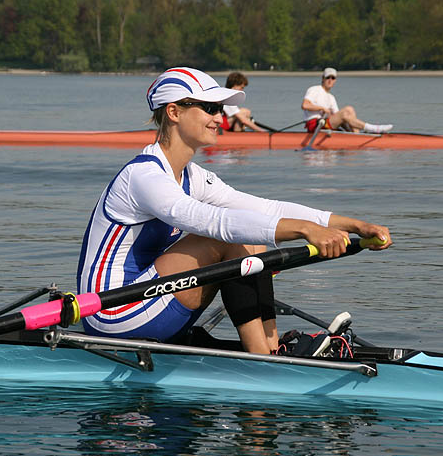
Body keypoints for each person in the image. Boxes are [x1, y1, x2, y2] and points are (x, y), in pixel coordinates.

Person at [77, 67, 392, 354]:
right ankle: (262, 359)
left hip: (150, 300)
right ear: (173, 112)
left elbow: (266, 207)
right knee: (229, 237)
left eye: (220, 109)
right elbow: (216, 223)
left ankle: (271, 347)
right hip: (111, 314)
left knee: (252, 237)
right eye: (210, 108)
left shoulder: (193, 177)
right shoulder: (144, 176)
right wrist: (306, 230)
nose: (219, 118)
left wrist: (354, 225)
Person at [301, 67, 393, 134]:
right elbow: (305, 105)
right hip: (315, 125)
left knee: (349, 110)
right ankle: (373, 128)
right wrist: (322, 108)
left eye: (333, 78)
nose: (330, 80)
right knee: (346, 111)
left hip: (326, 123)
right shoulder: (314, 89)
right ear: (323, 78)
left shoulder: (331, 97)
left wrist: (348, 130)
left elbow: (341, 119)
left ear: (335, 80)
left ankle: (356, 135)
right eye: (328, 77)